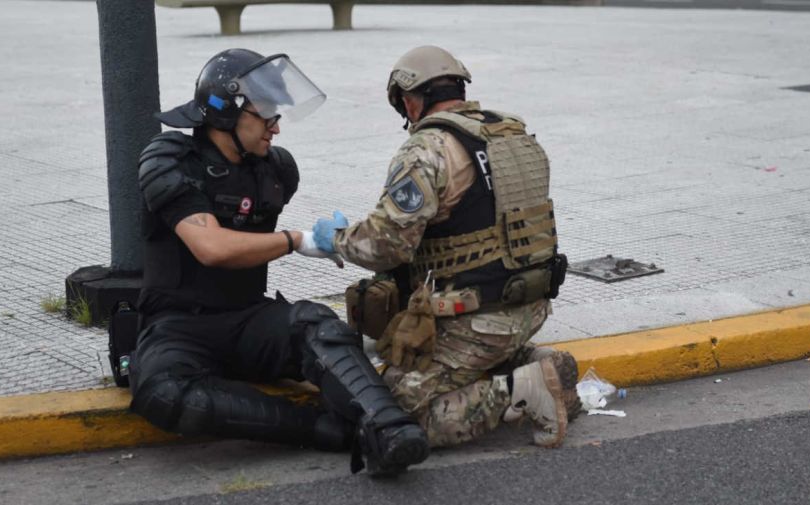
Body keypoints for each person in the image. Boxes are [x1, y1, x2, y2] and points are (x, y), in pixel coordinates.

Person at [129, 48, 429, 476]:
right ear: (225, 112)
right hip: (178, 325)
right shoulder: (169, 159)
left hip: (247, 318)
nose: (276, 126)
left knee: (318, 326)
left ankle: (391, 430)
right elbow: (210, 247)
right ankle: (330, 432)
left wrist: (349, 240)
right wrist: (295, 240)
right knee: (163, 393)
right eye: (266, 113)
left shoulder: (276, 170)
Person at [311, 46, 579, 449]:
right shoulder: (513, 132)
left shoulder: (428, 148)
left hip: (477, 319)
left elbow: (386, 246)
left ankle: (525, 389)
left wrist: (336, 239)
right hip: (530, 306)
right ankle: (540, 364)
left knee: (390, 410)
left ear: (409, 99)